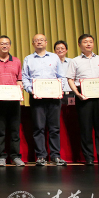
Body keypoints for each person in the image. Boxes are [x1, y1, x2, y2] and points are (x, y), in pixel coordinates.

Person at [66, 34, 99, 166]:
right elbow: (70, 79)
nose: (88, 44)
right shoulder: (75, 61)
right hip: (84, 96)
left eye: (90, 42)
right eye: (85, 42)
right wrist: (77, 94)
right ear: (79, 45)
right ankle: (88, 157)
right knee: (86, 128)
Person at [22, 34, 67, 166]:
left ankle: (55, 156)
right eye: (36, 40)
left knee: (54, 128)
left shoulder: (54, 57)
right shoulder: (28, 59)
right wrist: (31, 90)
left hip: (53, 97)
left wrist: (60, 89)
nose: (39, 42)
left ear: (46, 42)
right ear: (33, 44)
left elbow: (61, 76)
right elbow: (25, 77)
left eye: (41, 40)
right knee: (38, 128)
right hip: (37, 98)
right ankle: (41, 156)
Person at [0, 35, 25, 167]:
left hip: (13, 100)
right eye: (2, 43)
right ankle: (1, 156)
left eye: (7, 43)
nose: (4, 46)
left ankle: (15, 156)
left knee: (14, 130)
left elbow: (19, 79)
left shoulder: (17, 61)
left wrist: (20, 85)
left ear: (10, 46)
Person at [54, 40, 73, 105]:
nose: (60, 50)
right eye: (58, 49)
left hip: (70, 93)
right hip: (57, 94)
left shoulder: (72, 62)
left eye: (62, 48)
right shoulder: (52, 64)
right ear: (54, 51)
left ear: (66, 50)